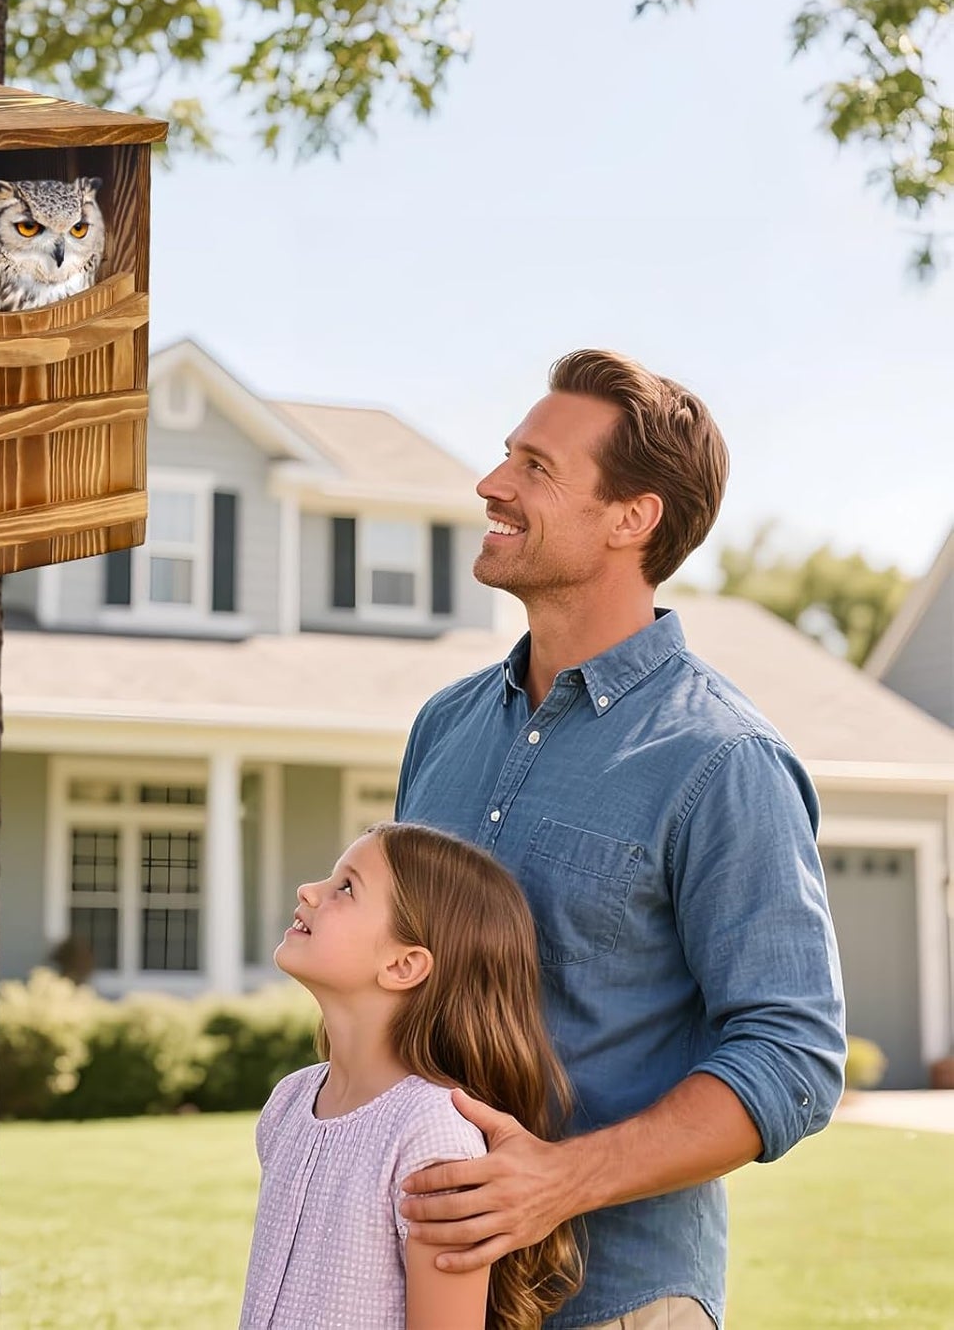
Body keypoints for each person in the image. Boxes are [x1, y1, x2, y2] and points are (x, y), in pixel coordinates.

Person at [395, 348, 846, 1329]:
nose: (490, 483)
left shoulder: (720, 758)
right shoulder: (443, 726)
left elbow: (791, 1052)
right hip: (427, 1288)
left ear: (629, 518)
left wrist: (556, 1178)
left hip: (612, 1301)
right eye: (504, 454)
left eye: (535, 467)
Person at [239, 820, 582, 1330]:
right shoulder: (289, 1103)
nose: (308, 891)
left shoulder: (432, 1135)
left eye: (346, 888)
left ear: (404, 965)